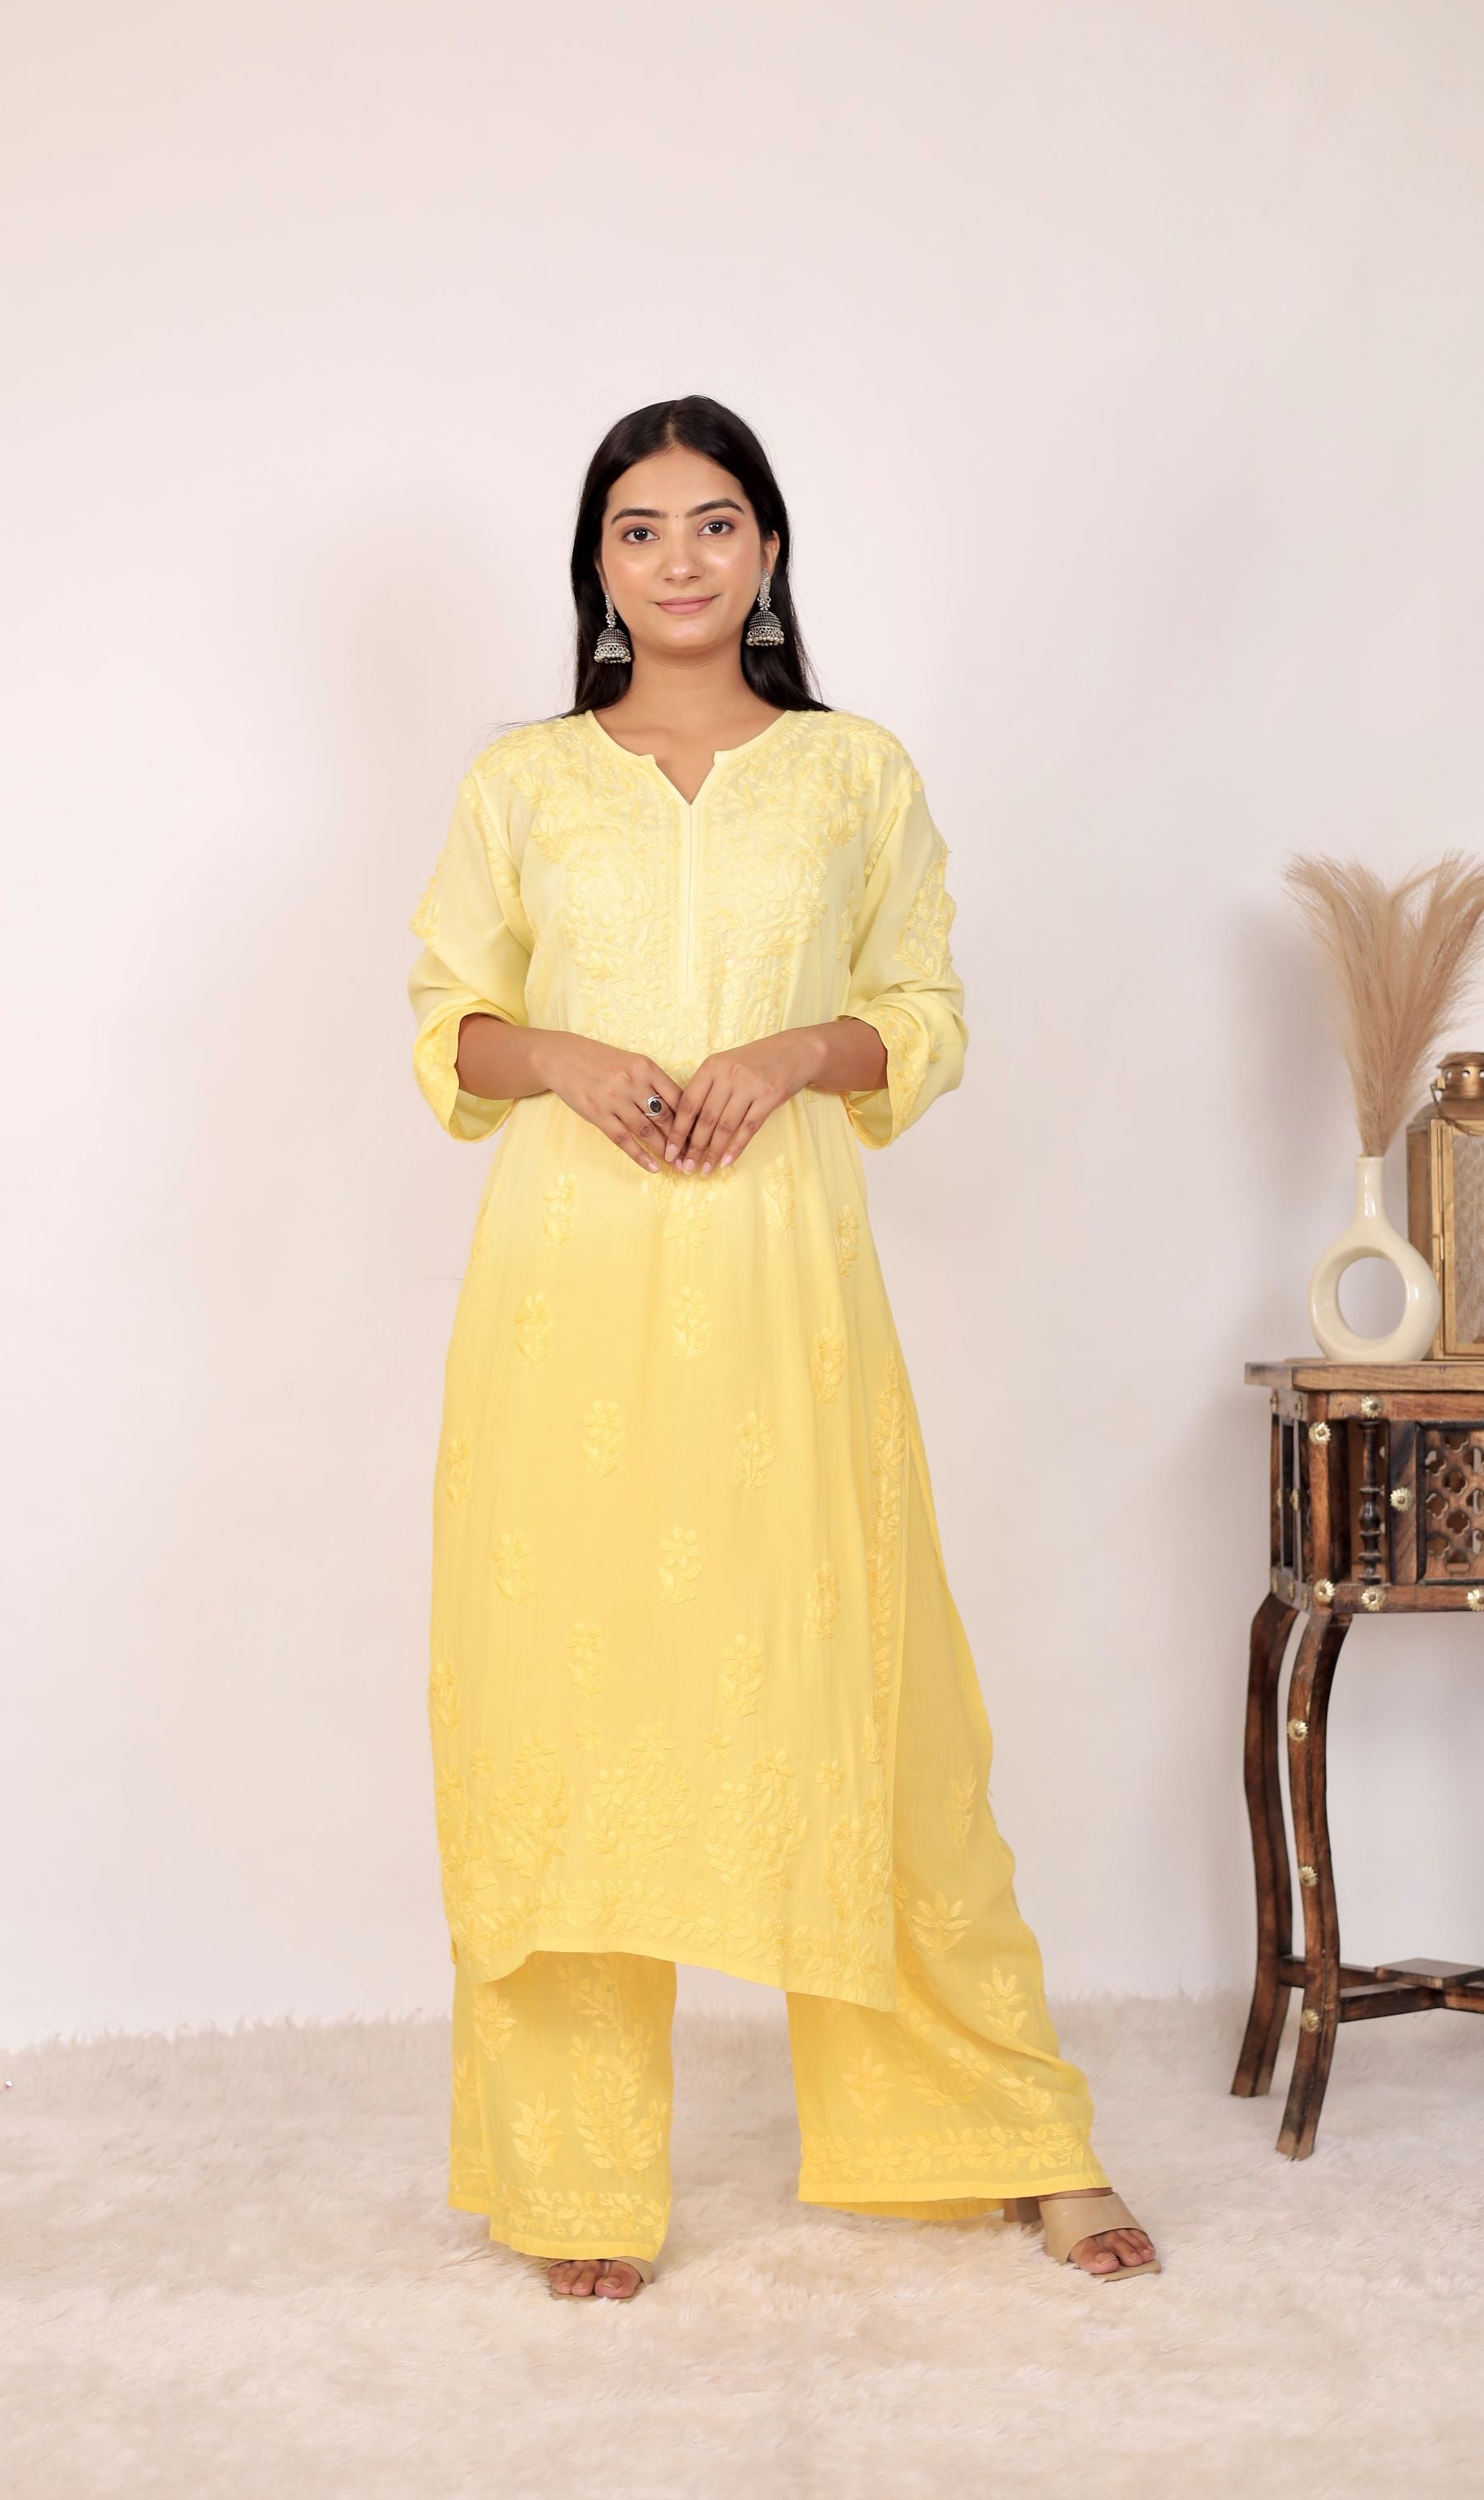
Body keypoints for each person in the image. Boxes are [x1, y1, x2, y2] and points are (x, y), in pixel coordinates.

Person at [405, 394, 1159, 2297]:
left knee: (871, 1699)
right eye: (640, 527)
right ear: (595, 564)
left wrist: (799, 1049)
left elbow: (925, 1008)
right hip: (569, 1294)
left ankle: (1003, 2131)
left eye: (714, 522)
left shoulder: (850, 774)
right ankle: (573, 2182)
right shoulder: (524, 783)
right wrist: (560, 1055)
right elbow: (445, 1021)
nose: (678, 558)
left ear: (766, 550)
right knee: (558, 1717)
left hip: (781, 1291)